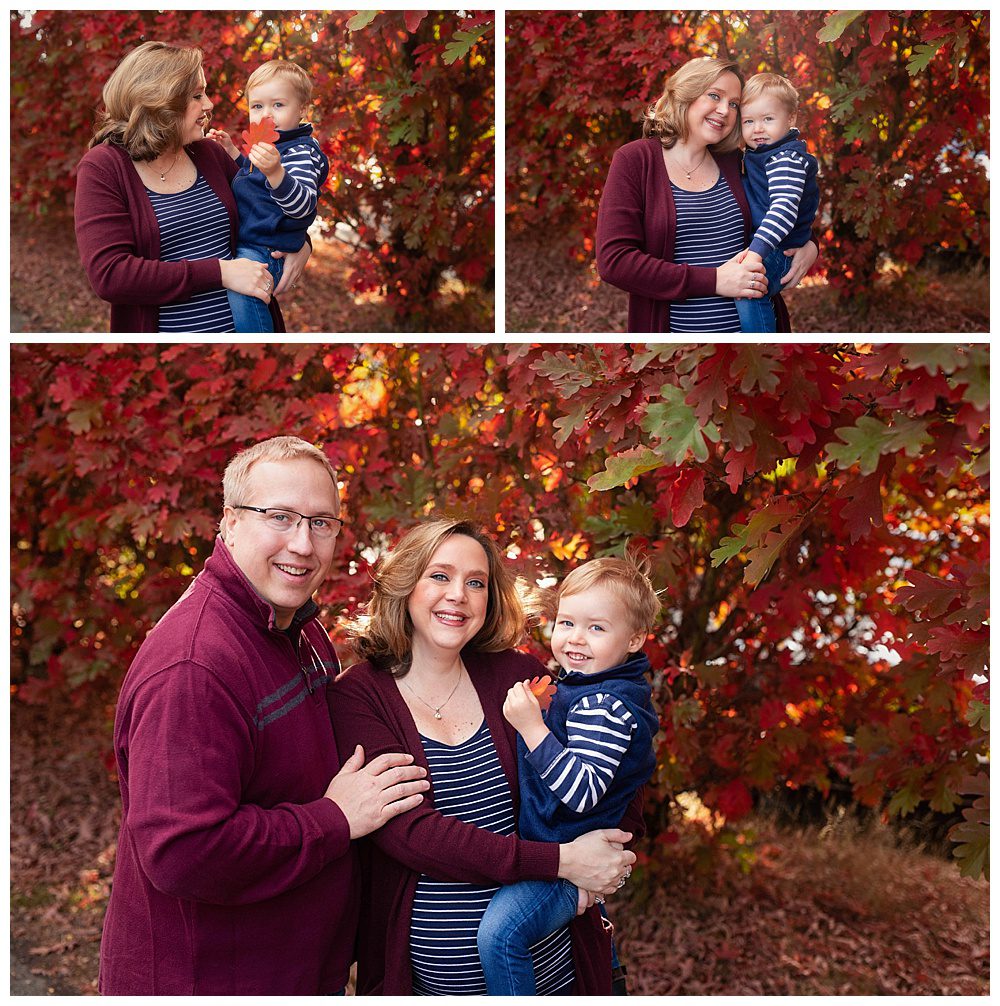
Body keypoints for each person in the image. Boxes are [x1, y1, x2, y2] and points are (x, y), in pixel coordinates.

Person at [99, 436, 429, 994]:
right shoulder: (194, 665)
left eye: (321, 522)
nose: (302, 543)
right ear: (228, 522)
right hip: (205, 978)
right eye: (280, 517)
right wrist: (335, 819)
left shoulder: (298, 629)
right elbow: (184, 852)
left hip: (291, 969)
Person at [331, 519, 640, 995]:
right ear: (405, 583)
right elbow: (410, 834)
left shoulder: (518, 676)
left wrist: (599, 866)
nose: (458, 594)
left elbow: (612, 772)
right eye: (440, 576)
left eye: (475, 582)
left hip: (555, 972)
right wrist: (558, 861)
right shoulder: (359, 696)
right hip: (433, 984)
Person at [477, 551, 660, 995]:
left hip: (567, 866)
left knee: (500, 934)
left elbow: (582, 792)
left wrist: (532, 727)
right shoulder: (584, 686)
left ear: (634, 639)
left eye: (597, 628)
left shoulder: (606, 705)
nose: (576, 638)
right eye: (566, 622)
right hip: (555, 854)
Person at [74, 41, 311, 333]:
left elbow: (265, 202)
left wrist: (301, 243)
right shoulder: (104, 167)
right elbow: (111, 275)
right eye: (197, 95)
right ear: (161, 101)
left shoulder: (208, 153)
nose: (209, 104)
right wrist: (220, 272)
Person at [596, 56, 818, 333]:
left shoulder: (735, 161)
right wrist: (714, 280)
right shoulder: (635, 160)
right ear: (686, 95)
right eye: (715, 96)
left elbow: (784, 203)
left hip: (755, 339)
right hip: (678, 349)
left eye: (734, 104)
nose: (725, 110)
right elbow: (614, 262)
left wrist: (811, 245)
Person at [207, 60, 329, 333]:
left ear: (302, 110)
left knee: (245, 293)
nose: (267, 115)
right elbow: (254, 181)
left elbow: (304, 207)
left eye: (278, 105)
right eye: (258, 106)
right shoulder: (270, 145)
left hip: (265, 247)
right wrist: (232, 153)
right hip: (251, 239)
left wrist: (276, 172)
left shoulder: (299, 152)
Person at [735, 72, 820, 333]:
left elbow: (783, 209)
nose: (757, 129)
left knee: (749, 289)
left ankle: (761, 343)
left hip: (779, 248)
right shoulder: (762, 154)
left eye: (768, 119)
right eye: (748, 121)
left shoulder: (785, 159)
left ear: (791, 118)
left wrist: (756, 252)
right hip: (770, 244)